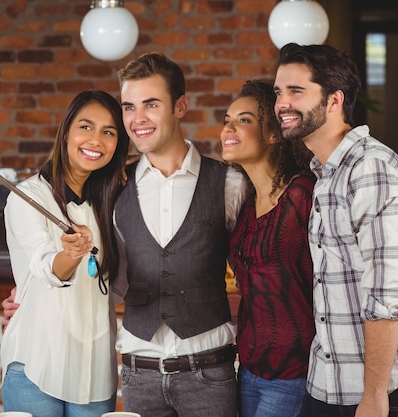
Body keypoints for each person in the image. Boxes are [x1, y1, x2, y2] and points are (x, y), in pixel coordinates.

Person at [273, 42, 398, 417]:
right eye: (278, 92)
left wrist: (374, 395)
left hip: (390, 392)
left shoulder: (370, 168)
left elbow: (386, 293)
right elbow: (374, 265)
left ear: (334, 100)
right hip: (329, 382)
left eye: (296, 91)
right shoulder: (324, 172)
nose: (282, 104)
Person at [111, 52, 246, 417]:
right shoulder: (114, 188)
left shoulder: (229, 183)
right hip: (140, 374)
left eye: (151, 105)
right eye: (129, 107)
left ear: (180, 106)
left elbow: (257, 271)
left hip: (209, 371)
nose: (137, 119)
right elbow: (111, 280)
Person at [0, 90, 129, 417]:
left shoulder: (113, 202)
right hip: (37, 364)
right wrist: (70, 254)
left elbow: (115, 288)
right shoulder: (27, 197)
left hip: (95, 369)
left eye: (109, 132)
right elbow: (46, 267)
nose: (96, 140)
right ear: (66, 132)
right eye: (85, 127)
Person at [220, 79, 315, 417]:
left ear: (274, 133)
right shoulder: (246, 205)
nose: (228, 128)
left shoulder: (303, 193)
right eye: (227, 119)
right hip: (248, 369)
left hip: (295, 372)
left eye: (243, 120)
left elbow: (356, 265)